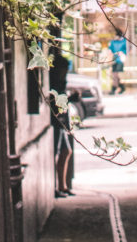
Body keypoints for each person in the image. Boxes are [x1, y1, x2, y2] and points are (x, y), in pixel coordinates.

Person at [49, 37, 75, 198]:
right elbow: (57, 103)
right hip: (56, 122)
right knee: (59, 153)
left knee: (66, 151)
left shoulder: (60, 84)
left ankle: (63, 186)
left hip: (61, 121)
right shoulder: (55, 85)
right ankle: (58, 187)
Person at [108, 28, 127, 94]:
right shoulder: (113, 42)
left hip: (120, 60)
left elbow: (126, 50)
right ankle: (121, 87)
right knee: (114, 75)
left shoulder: (124, 41)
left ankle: (114, 88)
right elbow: (110, 50)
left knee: (115, 75)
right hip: (114, 60)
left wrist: (121, 52)